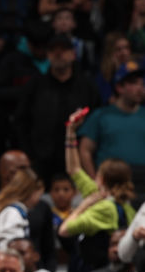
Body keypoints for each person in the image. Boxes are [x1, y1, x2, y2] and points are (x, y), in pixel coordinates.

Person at [12, 32, 100, 183]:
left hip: (77, 160)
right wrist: (29, 153)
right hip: (41, 161)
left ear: (73, 54)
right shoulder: (35, 85)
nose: (58, 54)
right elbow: (21, 121)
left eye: (63, 50)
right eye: (53, 50)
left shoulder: (87, 87)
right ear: (48, 55)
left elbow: (97, 121)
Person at [61, 110, 137, 272]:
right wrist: (70, 132)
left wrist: (83, 206)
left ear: (101, 178)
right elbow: (74, 169)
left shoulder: (104, 207)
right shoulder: (123, 205)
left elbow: (65, 229)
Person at [77, 62, 145, 178]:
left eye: (142, 84)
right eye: (133, 83)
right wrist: (93, 180)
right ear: (119, 87)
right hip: (110, 177)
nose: (139, 88)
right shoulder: (101, 115)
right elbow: (85, 149)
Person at [0, 168, 44, 257]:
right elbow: (7, 249)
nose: (39, 200)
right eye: (39, 195)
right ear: (30, 192)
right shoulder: (12, 213)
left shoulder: (14, 211)